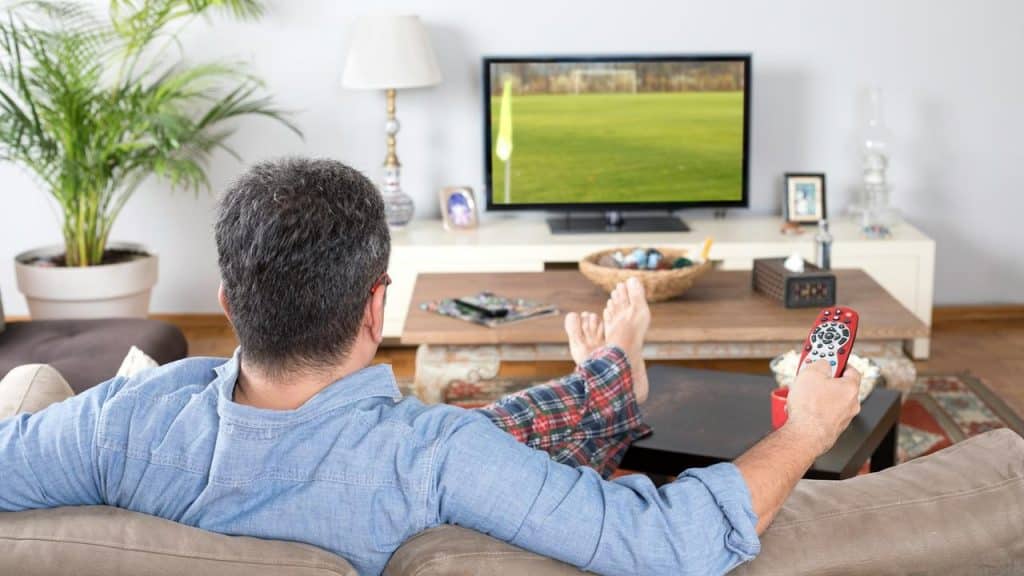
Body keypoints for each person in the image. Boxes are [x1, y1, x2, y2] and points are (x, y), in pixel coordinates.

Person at [0, 158, 1018, 576]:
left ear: (226, 303)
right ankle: (615, 385)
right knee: (517, 432)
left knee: (533, 419)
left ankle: (607, 386)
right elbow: (662, 540)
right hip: (429, 458)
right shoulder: (434, 456)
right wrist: (807, 426)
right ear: (379, 306)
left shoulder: (121, 423)